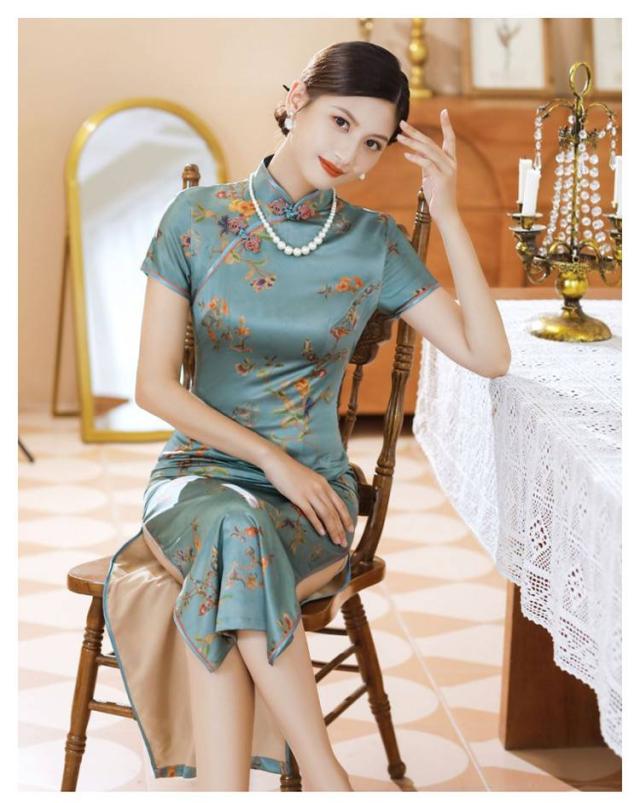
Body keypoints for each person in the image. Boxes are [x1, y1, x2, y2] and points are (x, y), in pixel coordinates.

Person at [103, 39, 511, 793]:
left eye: (373, 143)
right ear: (297, 100)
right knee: (232, 527)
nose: (350, 154)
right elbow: (155, 387)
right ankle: (328, 777)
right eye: (340, 122)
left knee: (233, 546)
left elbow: (487, 355)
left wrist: (449, 214)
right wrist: (271, 460)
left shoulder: (373, 244)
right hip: (195, 480)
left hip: (314, 501)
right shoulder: (197, 218)